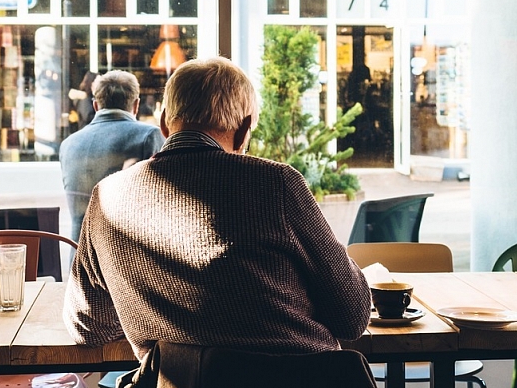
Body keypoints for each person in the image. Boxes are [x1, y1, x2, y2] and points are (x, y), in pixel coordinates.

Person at [63, 56, 371, 361]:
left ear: (164, 123)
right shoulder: (276, 184)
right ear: (244, 129)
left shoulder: (107, 198)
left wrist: (151, 308)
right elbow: (352, 316)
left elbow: (88, 327)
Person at [59, 70, 165, 242]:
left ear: (95, 106)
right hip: (124, 258)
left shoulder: (68, 144)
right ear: (136, 105)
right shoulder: (148, 136)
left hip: (78, 256)